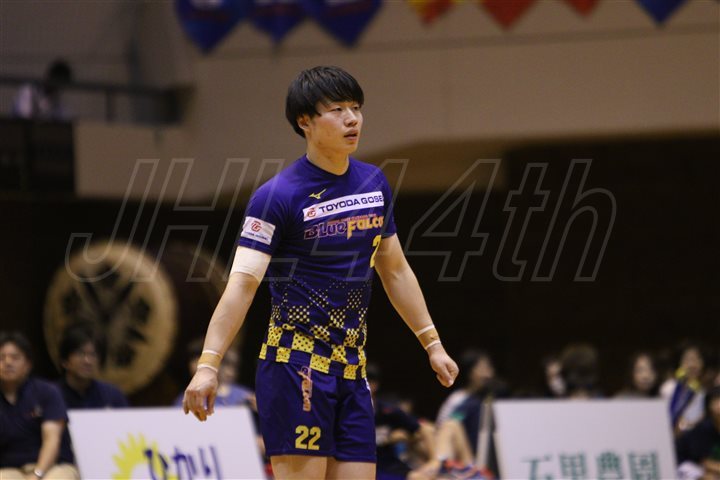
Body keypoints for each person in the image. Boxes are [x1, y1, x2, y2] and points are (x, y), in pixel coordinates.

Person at [182, 66, 459, 480]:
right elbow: (242, 285)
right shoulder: (275, 197)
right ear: (305, 121)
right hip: (294, 369)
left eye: (356, 108)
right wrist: (208, 364)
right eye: (337, 110)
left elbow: (396, 270)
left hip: (352, 371)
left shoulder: (374, 183)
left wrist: (432, 344)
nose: (352, 119)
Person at [0, 331, 79, 480]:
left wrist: (37, 474)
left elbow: (52, 440)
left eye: (15, 357)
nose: (7, 362)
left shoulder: (47, 392)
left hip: (53, 467)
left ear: (28, 365)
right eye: (1, 358)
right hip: (10, 470)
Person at [55, 324, 128, 410]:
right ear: (64, 362)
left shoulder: (112, 396)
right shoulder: (50, 396)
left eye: (93, 355)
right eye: (80, 354)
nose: (87, 361)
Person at [661, 341, 707, 435]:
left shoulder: (705, 393)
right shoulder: (668, 388)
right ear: (679, 363)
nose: (692, 365)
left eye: (697, 359)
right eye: (687, 359)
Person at [675, 385, 720, 479]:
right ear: (709, 406)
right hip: (684, 462)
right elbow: (705, 462)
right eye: (716, 400)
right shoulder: (704, 429)